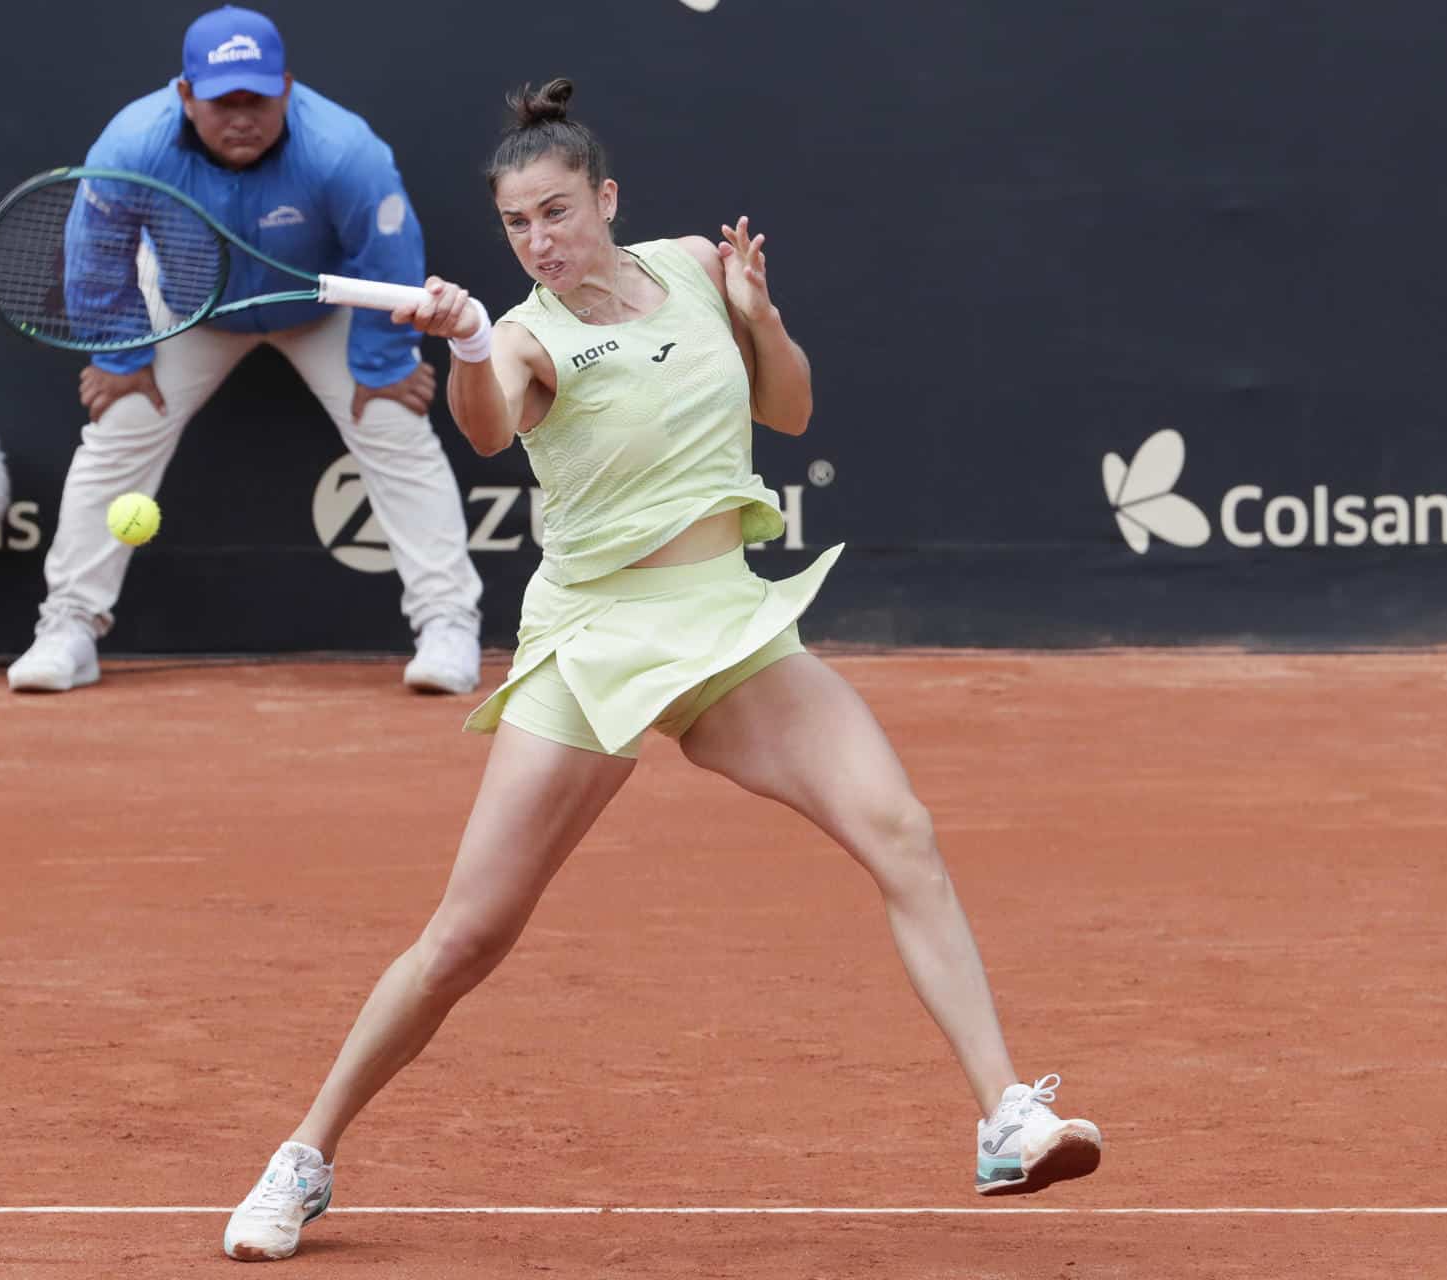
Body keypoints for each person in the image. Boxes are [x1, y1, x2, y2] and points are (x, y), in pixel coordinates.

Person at [220, 79, 1102, 1262]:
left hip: (724, 624)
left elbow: (787, 411)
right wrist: (476, 341)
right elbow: (487, 427)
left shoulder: (692, 264)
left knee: (900, 827)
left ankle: (1004, 1113)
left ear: (607, 198)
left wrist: (761, 314)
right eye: (517, 225)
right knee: (468, 936)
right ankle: (307, 1152)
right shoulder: (530, 333)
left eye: (557, 211)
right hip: (596, 639)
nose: (541, 239)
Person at [6, 5, 483, 697]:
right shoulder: (131, 145)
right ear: (185, 95)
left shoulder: (344, 151)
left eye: (256, 100)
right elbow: (97, 254)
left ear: (286, 88)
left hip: (323, 303)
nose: (241, 117)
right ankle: (68, 628)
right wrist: (119, 357)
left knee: (392, 423)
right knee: (121, 425)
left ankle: (448, 626)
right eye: (221, 101)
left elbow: (388, 259)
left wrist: (383, 364)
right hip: (187, 303)